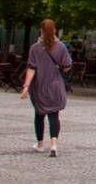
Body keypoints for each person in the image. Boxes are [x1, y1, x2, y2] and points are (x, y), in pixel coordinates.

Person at [20, 19, 72, 158]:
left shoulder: (35, 48)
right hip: (55, 86)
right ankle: (54, 145)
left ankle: (40, 144)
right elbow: (67, 66)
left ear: (41, 31)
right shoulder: (61, 47)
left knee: (39, 115)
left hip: (39, 86)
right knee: (54, 115)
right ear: (54, 30)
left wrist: (26, 86)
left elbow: (31, 68)